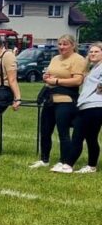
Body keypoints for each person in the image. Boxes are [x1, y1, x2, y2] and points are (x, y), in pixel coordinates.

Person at [35, 35, 87, 172]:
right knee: (45, 130)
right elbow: (50, 74)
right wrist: (46, 77)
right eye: (60, 44)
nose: (62, 47)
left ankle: (64, 161)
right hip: (50, 98)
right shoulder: (55, 58)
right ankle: (44, 159)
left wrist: (57, 81)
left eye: (65, 44)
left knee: (63, 132)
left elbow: (77, 81)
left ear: (73, 45)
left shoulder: (78, 59)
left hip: (65, 100)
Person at [65, 41, 102, 174]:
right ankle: (90, 166)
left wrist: (99, 86)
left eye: (96, 51)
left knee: (80, 135)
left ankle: (69, 165)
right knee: (90, 137)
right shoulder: (94, 67)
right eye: (91, 51)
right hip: (86, 105)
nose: (92, 54)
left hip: (95, 106)